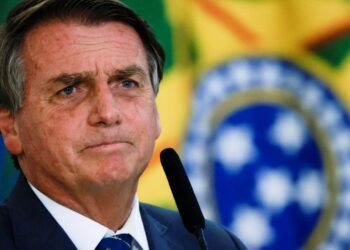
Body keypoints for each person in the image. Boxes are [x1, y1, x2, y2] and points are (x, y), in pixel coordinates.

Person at [0, 0, 246, 249]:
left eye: (127, 83)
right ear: (10, 125)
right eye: (70, 89)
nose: (108, 113)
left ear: (155, 110)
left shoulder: (214, 243)